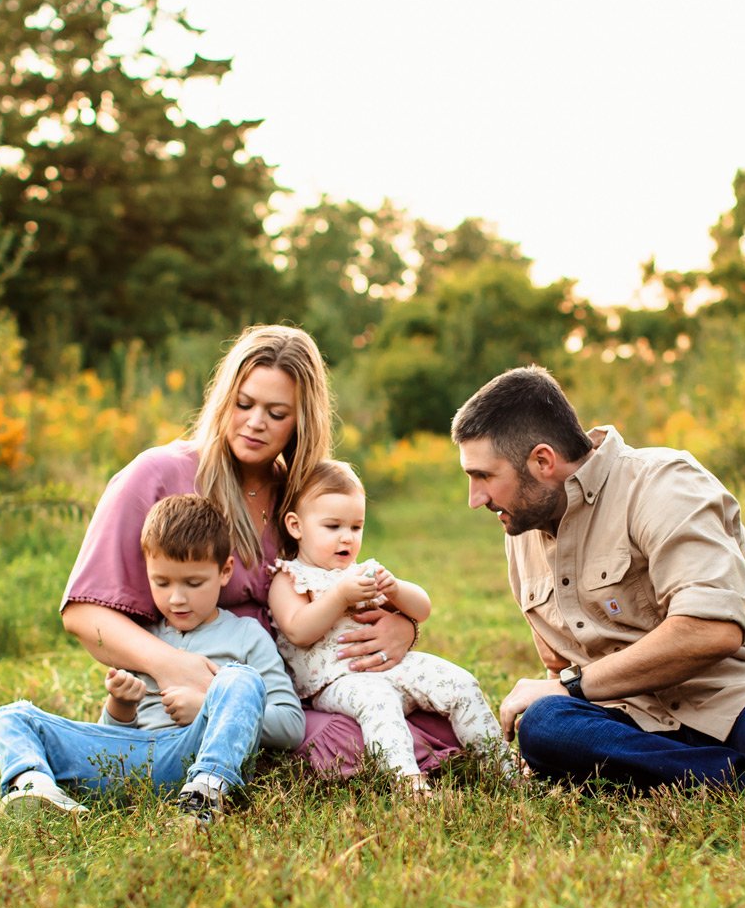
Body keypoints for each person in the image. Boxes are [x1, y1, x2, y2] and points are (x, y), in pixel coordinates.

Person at [450, 366, 745, 798]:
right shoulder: (521, 525)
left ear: (542, 461)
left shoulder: (663, 483)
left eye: (483, 476)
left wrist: (571, 688)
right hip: (625, 720)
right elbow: (559, 661)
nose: (475, 498)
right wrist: (559, 699)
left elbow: (711, 630)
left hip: (727, 696)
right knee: (547, 727)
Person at [58, 325, 461, 775]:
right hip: (201, 690)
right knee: (350, 742)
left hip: (301, 686)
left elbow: (337, 579)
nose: (254, 422)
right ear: (223, 398)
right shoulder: (156, 475)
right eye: (243, 403)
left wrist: (402, 627)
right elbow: (83, 613)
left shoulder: (300, 493)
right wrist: (173, 666)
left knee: (434, 721)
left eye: (277, 413)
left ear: (302, 420)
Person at [0, 496, 303, 824]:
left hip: (194, 750)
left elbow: (291, 726)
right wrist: (120, 707)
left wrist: (208, 706)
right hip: (133, 760)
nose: (177, 598)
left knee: (241, 678)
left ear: (225, 571)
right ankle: (35, 787)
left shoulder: (246, 635)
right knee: (13, 717)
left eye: (193, 583)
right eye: (162, 582)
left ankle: (205, 793)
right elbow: (109, 738)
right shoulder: (141, 636)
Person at [268, 461, 508, 794]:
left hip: (392, 666)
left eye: (356, 527)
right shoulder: (290, 578)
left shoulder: (364, 571)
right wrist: (339, 596)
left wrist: (394, 589)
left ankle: (503, 766)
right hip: (336, 683)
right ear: (296, 526)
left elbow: (422, 608)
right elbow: (298, 630)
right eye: (333, 526)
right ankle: (408, 783)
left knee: (460, 683)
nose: (346, 537)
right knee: (378, 701)